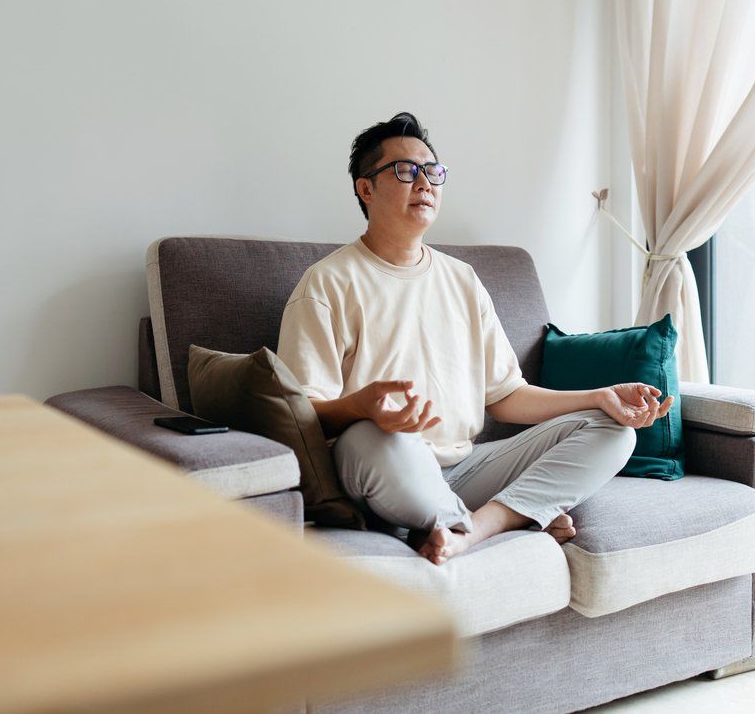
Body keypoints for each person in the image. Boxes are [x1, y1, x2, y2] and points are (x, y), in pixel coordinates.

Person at [275, 112, 674, 566]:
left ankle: (470, 529)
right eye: (405, 171)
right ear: (366, 189)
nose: (424, 182)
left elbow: (507, 398)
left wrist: (599, 397)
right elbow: (300, 414)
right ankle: (520, 514)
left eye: (433, 171)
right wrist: (362, 406)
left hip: (466, 467)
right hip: (385, 463)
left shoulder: (462, 279)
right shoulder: (326, 284)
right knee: (369, 438)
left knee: (614, 432)